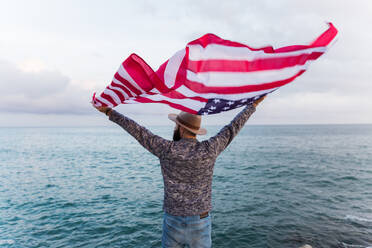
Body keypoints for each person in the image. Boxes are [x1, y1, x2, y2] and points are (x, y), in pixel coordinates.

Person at [92, 95, 266, 248]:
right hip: (200, 220)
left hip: (173, 219)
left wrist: (109, 112)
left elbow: (138, 131)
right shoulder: (210, 149)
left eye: (176, 125)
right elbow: (232, 127)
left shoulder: (166, 149)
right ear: (195, 131)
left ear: (181, 128)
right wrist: (252, 106)